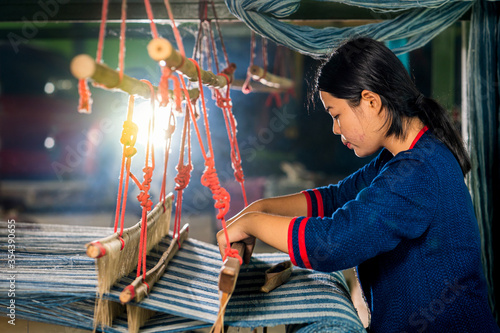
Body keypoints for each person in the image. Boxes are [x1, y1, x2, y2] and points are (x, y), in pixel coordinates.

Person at [216, 37, 499, 332]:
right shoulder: (401, 157)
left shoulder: (419, 171)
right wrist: (260, 208)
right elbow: (337, 199)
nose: (335, 129)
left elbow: (335, 244)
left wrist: (254, 224)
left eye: (336, 115)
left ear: (371, 101)